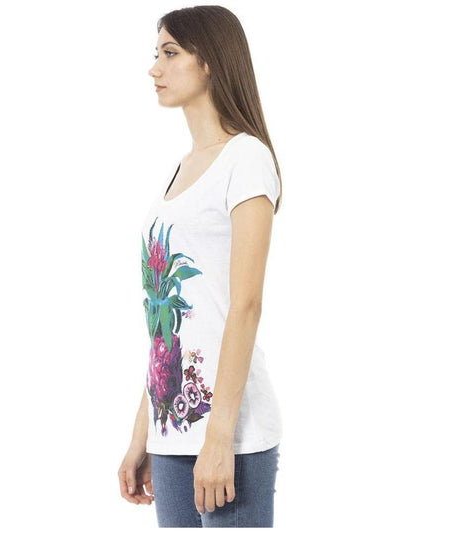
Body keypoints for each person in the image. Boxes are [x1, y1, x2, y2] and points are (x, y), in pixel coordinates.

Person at [118, 5, 283, 527]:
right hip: (171, 433)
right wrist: (143, 432)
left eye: (170, 53)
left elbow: (245, 304)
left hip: (230, 436)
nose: (155, 68)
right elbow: (167, 327)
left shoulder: (246, 158)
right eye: (156, 54)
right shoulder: (183, 169)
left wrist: (219, 437)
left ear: (209, 61)